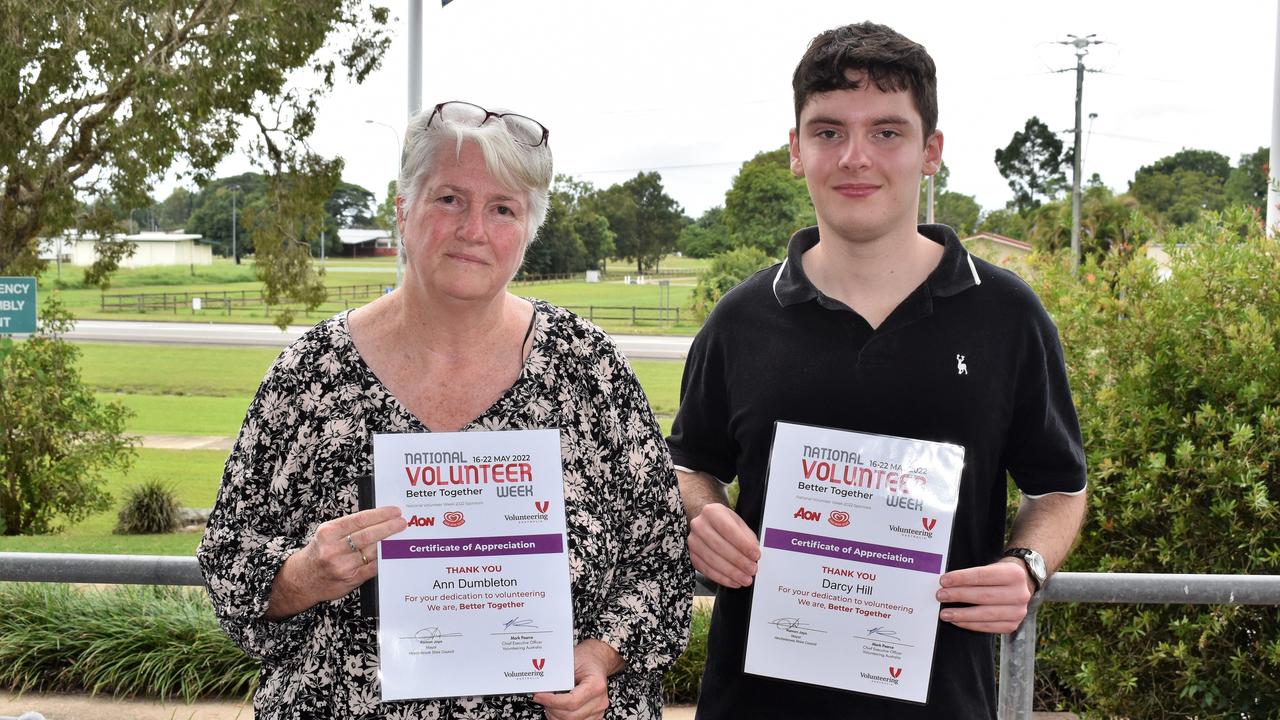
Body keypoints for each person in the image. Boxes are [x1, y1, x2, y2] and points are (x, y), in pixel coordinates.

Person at [198, 101, 692, 720]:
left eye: (502, 209)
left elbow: (661, 564)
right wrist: (304, 574)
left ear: (528, 230)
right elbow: (227, 559)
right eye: (450, 199)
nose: (473, 230)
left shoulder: (587, 368)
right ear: (404, 210)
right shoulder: (311, 376)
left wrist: (598, 659)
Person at [667, 22, 1088, 719]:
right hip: (756, 703)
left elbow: (1060, 488)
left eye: (887, 132)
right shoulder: (740, 319)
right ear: (796, 151)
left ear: (932, 152)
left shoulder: (1007, 315)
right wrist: (704, 513)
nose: (856, 157)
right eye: (828, 131)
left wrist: (1028, 567)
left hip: (943, 701)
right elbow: (689, 465)